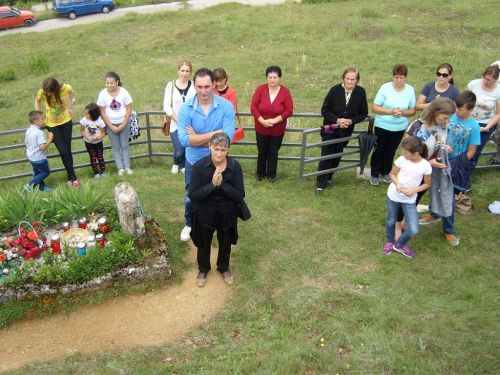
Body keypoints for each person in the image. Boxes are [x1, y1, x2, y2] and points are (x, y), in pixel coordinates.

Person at [177, 68, 236, 242]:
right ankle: (189, 223)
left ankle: (218, 223)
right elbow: (183, 140)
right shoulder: (185, 108)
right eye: (199, 86)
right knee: (191, 194)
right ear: (193, 86)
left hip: (219, 160)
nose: (203, 91)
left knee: (220, 192)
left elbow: (227, 138)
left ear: (215, 84)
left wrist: (196, 137)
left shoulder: (226, 106)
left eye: (207, 86)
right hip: (194, 162)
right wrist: (215, 134)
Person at [419, 91, 481, 246]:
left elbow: (472, 152)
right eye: (456, 108)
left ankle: (449, 231)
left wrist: (454, 164)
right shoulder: (448, 116)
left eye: (461, 109)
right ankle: (434, 213)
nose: (457, 111)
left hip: (453, 165)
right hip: (436, 160)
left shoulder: (473, 127)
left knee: (447, 197)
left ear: (470, 110)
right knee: (432, 188)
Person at [189, 133, 244, 287]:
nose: (219, 153)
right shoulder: (200, 166)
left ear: (228, 150)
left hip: (227, 211)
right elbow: (193, 195)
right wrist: (212, 185)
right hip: (205, 211)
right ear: (209, 147)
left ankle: (224, 267)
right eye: (216, 148)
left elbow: (240, 194)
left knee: (225, 241)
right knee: (204, 241)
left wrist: (222, 185)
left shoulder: (235, 166)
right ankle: (204, 268)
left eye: (223, 149)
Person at [395, 97, 456, 238]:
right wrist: (429, 162)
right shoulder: (417, 127)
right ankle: (397, 226)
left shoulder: (442, 126)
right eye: (445, 118)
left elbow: (439, 143)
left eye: (448, 119)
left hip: (428, 171)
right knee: (405, 198)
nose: (446, 122)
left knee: (416, 198)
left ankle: (405, 223)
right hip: (414, 171)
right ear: (435, 112)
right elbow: (407, 154)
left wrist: (446, 149)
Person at [316, 67, 368, 194]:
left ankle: (329, 177)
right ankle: (320, 184)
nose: (349, 82)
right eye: (347, 79)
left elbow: (363, 113)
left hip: (346, 130)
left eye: (352, 79)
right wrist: (337, 120)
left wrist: (351, 121)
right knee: (326, 155)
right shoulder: (334, 90)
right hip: (330, 128)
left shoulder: (361, 92)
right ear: (343, 78)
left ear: (357, 80)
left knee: (337, 154)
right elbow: (325, 110)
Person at [383, 136, 432, 258]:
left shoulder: (425, 166)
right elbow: (393, 174)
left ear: (416, 153)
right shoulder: (402, 160)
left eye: (405, 152)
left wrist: (415, 190)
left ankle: (399, 244)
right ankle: (390, 241)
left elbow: (427, 183)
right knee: (391, 220)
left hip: (409, 200)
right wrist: (398, 184)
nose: (402, 154)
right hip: (394, 196)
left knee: (414, 229)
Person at [369, 64, 416, 186]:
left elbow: (412, 110)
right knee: (379, 149)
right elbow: (375, 107)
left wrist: (403, 112)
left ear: (406, 77)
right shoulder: (385, 88)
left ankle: (386, 171)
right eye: (396, 77)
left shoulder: (410, 90)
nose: (399, 80)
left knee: (391, 150)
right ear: (393, 76)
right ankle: (374, 172)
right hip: (382, 126)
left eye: (401, 78)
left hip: (399, 127)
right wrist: (391, 111)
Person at [251, 65, 294, 182]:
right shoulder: (260, 89)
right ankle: (260, 174)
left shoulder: (285, 91)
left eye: (275, 77)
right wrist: (262, 121)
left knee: (273, 151)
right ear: (266, 78)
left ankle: (271, 174)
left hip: (277, 129)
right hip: (261, 127)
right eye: (270, 77)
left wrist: (275, 120)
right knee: (262, 151)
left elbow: (289, 110)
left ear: (280, 78)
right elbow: (253, 107)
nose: (272, 80)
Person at [34, 77, 79, 188]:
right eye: (47, 92)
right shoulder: (42, 93)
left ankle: (70, 179)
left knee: (67, 150)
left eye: (51, 92)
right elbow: (37, 101)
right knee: (63, 151)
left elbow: (70, 93)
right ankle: (74, 178)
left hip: (66, 122)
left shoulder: (65, 88)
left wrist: (70, 107)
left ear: (56, 88)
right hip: (52, 124)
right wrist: (40, 116)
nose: (49, 94)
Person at [465, 66, 500, 174]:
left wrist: (487, 127)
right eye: (484, 78)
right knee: (462, 149)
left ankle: (466, 179)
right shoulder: (473, 84)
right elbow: (462, 102)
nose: (485, 81)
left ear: (496, 79)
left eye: (489, 80)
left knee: (474, 153)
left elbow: (498, 114)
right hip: (468, 120)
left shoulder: (498, 91)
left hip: (484, 124)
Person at [97, 71, 133, 176]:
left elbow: (129, 109)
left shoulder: (124, 92)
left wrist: (123, 124)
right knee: (115, 146)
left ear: (117, 82)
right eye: (107, 83)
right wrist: (111, 126)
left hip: (123, 122)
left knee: (125, 145)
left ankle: (127, 167)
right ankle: (120, 168)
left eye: (111, 83)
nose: (109, 85)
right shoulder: (103, 94)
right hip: (110, 124)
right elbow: (102, 112)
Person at [163, 60, 196, 174]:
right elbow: (166, 106)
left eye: (187, 71)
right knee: (179, 150)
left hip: (190, 123)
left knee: (188, 146)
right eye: (182, 71)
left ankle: (183, 165)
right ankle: (176, 162)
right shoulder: (170, 85)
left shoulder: (194, 86)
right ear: (178, 71)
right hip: (174, 123)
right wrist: (177, 119)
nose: (184, 73)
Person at [24, 111, 54, 192]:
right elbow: (42, 147)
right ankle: (30, 185)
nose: (44, 120)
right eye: (42, 119)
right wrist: (50, 139)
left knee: (37, 173)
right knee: (46, 172)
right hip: (39, 158)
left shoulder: (28, 130)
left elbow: (26, 143)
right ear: (36, 122)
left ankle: (41, 187)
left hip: (31, 156)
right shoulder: (39, 133)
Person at [80, 103, 107, 178]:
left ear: (93, 114)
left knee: (100, 157)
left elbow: (104, 132)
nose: (86, 115)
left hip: (98, 142)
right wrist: (88, 137)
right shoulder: (84, 120)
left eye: (87, 114)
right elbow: (82, 131)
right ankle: (96, 173)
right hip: (89, 143)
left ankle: (103, 172)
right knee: (93, 157)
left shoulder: (100, 121)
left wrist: (98, 137)